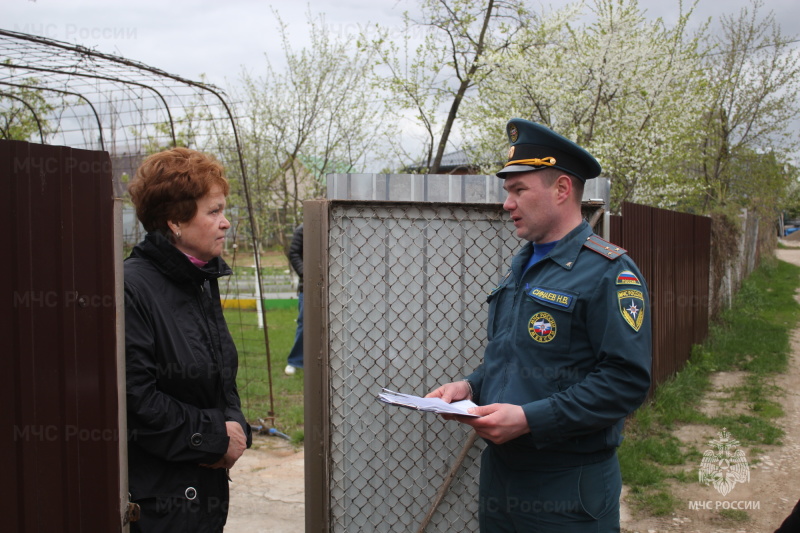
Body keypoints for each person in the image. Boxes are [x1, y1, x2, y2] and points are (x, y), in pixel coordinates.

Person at [426, 119, 652, 532]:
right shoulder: (524, 265)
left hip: (567, 486)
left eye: (518, 190)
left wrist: (531, 419)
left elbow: (626, 381)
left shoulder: (609, 272)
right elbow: (515, 354)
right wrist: (472, 387)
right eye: (507, 192)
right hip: (501, 476)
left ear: (562, 189)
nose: (507, 204)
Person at [125, 147, 252, 532]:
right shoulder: (132, 288)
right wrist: (215, 438)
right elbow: (136, 401)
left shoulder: (199, 280)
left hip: (200, 498)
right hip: (160, 503)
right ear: (175, 222)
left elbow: (220, 378)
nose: (226, 222)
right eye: (213, 212)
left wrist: (236, 425)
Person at [284, 223, 304, 375]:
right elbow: (294, 254)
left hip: (336, 284)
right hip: (308, 286)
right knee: (305, 323)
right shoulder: (303, 229)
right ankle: (295, 360)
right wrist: (306, 273)